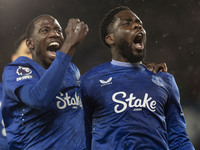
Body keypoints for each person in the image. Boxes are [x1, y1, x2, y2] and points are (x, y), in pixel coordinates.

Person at [81, 6, 195, 150]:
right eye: (126, 23)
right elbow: (82, 139)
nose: (137, 25)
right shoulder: (90, 81)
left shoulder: (165, 80)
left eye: (138, 22)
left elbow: (179, 139)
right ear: (111, 38)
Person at [2, 14, 88, 149]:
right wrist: (69, 45)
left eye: (58, 30)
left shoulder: (71, 70)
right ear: (30, 43)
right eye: (45, 30)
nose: (54, 34)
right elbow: (38, 98)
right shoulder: (17, 69)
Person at [0, 35, 32, 150]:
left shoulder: (58, 96)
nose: (32, 57)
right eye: (28, 52)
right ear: (14, 59)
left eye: (36, 53)